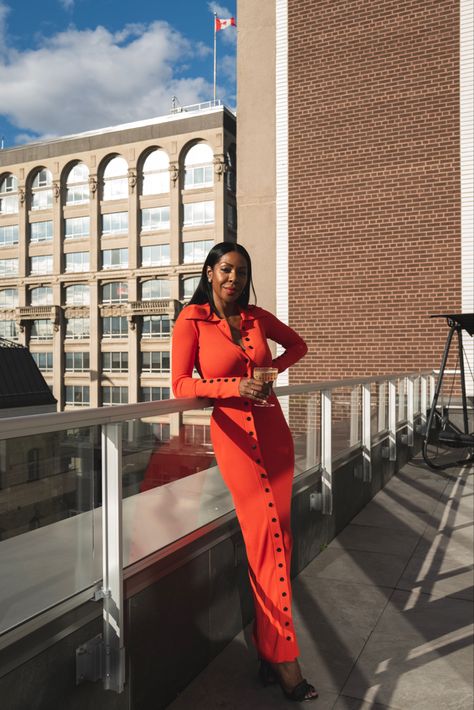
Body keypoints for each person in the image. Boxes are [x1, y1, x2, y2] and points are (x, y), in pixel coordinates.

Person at [172, 242, 317, 702]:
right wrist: (235, 384)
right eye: (226, 270)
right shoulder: (191, 320)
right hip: (234, 438)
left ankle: (269, 650)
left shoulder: (256, 317)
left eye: (241, 271)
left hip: (274, 434)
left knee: (281, 540)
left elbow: (299, 345)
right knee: (265, 541)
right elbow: (180, 385)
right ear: (210, 272)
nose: (234, 278)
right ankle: (283, 659)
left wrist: (269, 369)